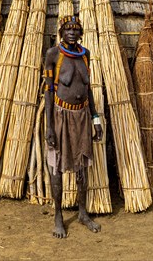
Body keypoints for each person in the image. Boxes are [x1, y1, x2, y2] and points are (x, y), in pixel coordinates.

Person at [45, 16, 103, 239]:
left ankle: (82, 213)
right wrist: (50, 127)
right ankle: (58, 216)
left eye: (75, 29)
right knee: (57, 166)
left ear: (81, 33)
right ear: (61, 32)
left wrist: (95, 119)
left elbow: (88, 90)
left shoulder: (85, 55)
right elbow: (49, 92)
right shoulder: (53, 55)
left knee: (82, 166)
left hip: (83, 116)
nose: (71, 32)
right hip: (61, 116)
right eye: (67, 29)